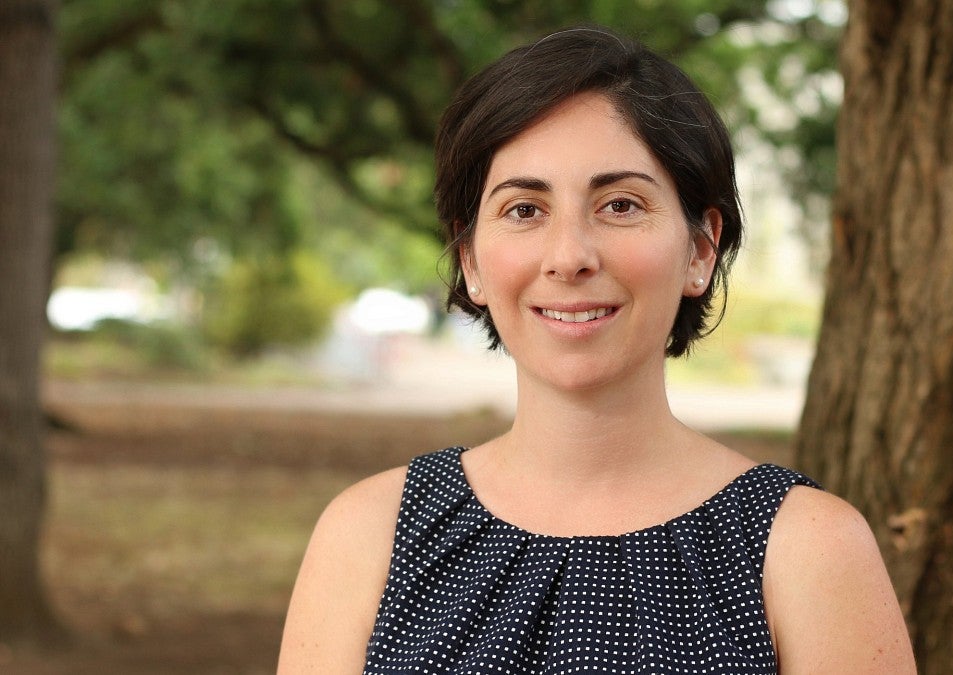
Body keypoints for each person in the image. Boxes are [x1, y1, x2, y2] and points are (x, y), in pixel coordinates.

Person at [277, 26, 916, 674]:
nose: (570, 256)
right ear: (470, 258)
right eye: (525, 209)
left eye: (619, 204)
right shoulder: (369, 537)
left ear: (700, 249)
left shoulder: (807, 549)